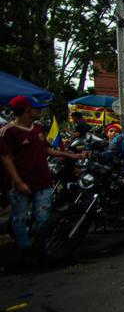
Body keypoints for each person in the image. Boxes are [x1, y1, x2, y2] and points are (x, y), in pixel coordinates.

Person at [1, 95, 85, 255]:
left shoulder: (38, 128)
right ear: (28, 110)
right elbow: (5, 159)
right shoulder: (7, 132)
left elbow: (47, 149)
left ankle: (42, 248)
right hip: (19, 183)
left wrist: (71, 156)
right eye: (36, 108)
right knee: (19, 217)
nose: (39, 110)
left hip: (43, 180)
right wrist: (18, 182)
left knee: (43, 217)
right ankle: (24, 248)